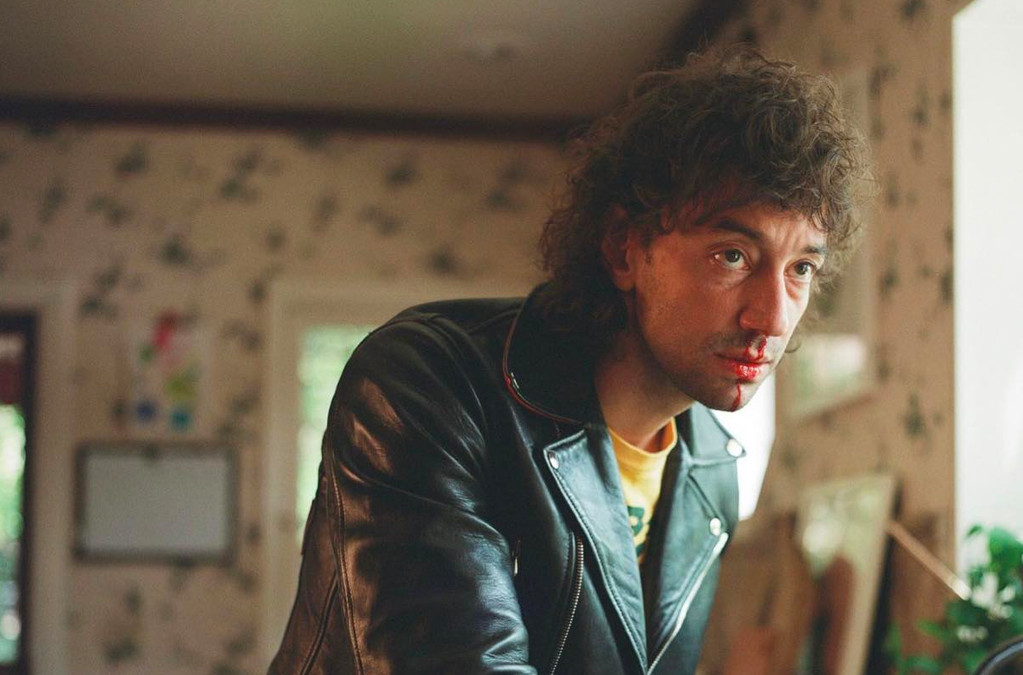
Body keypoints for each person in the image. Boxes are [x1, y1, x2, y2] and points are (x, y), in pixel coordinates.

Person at [268, 45, 869, 675]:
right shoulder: (430, 380)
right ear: (624, 248)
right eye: (733, 256)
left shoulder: (710, 468)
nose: (772, 318)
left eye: (802, 268)